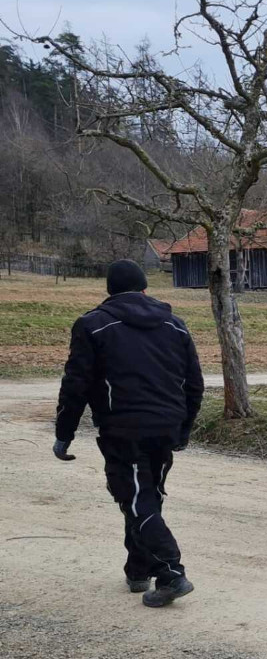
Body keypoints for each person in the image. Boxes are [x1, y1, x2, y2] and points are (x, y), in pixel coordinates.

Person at [54, 259, 204, 607]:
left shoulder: (92, 325)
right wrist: (183, 429)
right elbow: (194, 383)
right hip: (166, 425)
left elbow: (75, 384)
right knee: (145, 496)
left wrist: (64, 432)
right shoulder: (176, 325)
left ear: (109, 290)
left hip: (123, 428)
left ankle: (171, 573)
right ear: (145, 289)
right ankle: (138, 570)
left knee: (136, 498)